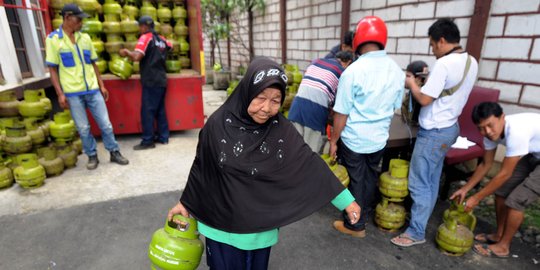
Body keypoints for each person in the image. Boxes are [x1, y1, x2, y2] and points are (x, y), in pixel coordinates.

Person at [167, 57, 360, 269]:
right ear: (247, 91)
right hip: (221, 229)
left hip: (259, 231)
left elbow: (309, 163)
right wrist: (185, 202)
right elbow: (202, 168)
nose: (266, 108)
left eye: (275, 100)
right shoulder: (218, 125)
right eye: (260, 98)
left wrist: (346, 201)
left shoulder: (280, 130)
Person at [391, 18, 478, 247]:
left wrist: (412, 85)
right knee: (430, 179)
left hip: (433, 132)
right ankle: (420, 220)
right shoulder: (471, 61)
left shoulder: (445, 64)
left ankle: (416, 232)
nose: (432, 50)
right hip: (450, 128)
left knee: (419, 181)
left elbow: (425, 99)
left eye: (432, 44)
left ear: (441, 40)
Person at [330, 16, 405, 238]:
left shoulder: (353, 71)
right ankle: (365, 213)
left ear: (358, 41)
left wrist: (334, 141)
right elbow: (394, 107)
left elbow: (341, 113)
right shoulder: (397, 71)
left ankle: (355, 224)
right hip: (379, 139)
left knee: (355, 181)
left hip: (354, 139)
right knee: (370, 176)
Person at [450, 102, 540, 258]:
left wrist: (476, 198)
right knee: (501, 192)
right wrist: (466, 189)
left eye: (490, 125)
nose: (487, 131)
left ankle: (504, 246)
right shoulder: (489, 134)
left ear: (502, 117)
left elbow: (505, 173)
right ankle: (498, 235)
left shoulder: (517, 131)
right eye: (481, 128)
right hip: (535, 154)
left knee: (515, 201)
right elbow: (486, 164)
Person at [46, 3, 129, 170]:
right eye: (78, 20)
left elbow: (94, 64)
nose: (81, 23)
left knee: (105, 124)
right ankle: (92, 155)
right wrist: (60, 93)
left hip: (92, 90)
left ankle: (114, 152)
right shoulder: (53, 40)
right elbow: (53, 70)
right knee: (83, 128)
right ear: (67, 18)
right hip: (73, 93)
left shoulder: (85, 39)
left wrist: (102, 85)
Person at [119, 16, 172, 150]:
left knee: (147, 111)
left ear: (143, 26)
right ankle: (163, 137)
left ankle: (148, 140)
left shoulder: (145, 37)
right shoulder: (162, 39)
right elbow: (171, 47)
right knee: (160, 110)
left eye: (140, 26)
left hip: (150, 80)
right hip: (161, 79)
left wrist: (127, 53)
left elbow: (137, 56)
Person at [288, 51, 353, 153]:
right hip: (315, 112)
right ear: (348, 63)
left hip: (296, 107)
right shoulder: (342, 72)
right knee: (309, 153)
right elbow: (339, 107)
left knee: (293, 149)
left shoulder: (316, 62)